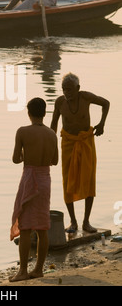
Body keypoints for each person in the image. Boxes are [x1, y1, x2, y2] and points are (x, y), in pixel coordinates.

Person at [51, 73, 110, 233]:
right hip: (68, 143)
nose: (66, 93)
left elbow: (106, 103)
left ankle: (86, 222)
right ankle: (73, 222)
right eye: (64, 89)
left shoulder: (85, 97)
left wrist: (102, 123)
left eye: (69, 90)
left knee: (89, 179)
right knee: (67, 181)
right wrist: (50, 146)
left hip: (86, 142)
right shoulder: (60, 102)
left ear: (78, 88)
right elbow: (54, 124)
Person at [9, 98, 58, 282]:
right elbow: (55, 160)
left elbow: (15, 159)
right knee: (42, 228)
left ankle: (22, 270)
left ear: (28, 113)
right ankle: (38, 269)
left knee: (26, 226)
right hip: (45, 179)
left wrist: (24, 154)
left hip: (30, 178)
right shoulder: (52, 134)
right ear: (45, 113)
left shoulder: (22, 132)